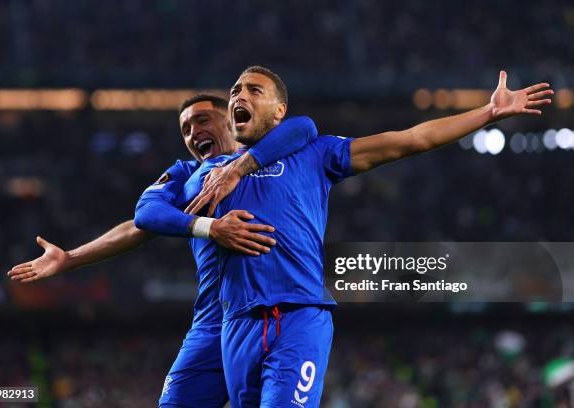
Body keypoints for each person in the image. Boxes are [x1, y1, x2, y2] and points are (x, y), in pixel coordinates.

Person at [184, 66, 553, 407]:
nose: (238, 97)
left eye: (253, 90)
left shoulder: (314, 152)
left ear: (279, 111)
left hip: (297, 317)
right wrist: (206, 225)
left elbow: (410, 139)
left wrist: (487, 113)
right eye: (234, 91)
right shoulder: (208, 174)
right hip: (236, 326)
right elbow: (148, 217)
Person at [8, 93, 318, 407]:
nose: (193, 132)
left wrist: (239, 168)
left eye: (202, 120)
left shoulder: (275, 155)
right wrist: (71, 258)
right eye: (185, 129)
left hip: (273, 311)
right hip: (213, 322)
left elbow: (304, 127)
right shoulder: (186, 174)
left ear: (230, 118)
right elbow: (144, 218)